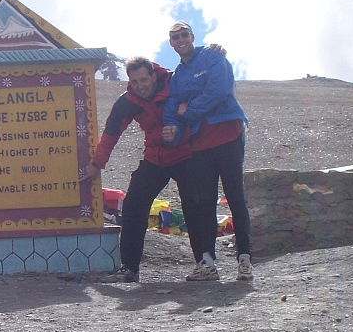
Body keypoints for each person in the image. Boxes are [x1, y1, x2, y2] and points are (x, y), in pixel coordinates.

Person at [82, 54, 226, 283]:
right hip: (155, 157)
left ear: (153, 75)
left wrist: (216, 55)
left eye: (144, 80)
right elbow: (111, 133)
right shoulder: (128, 101)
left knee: (195, 206)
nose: (140, 86)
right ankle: (130, 269)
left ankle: (205, 265)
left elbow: (208, 88)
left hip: (186, 153)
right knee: (133, 204)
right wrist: (97, 165)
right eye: (135, 82)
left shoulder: (176, 82)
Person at [162, 21, 253, 281]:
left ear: (192, 36)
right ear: (171, 43)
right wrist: (171, 131)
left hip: (227, 133)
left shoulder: (213, 57)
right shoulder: (177, 76)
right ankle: (207, 262)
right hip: (200, 142)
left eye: (184, 35)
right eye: (175, 37)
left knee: (235, 196)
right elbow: (172, 109)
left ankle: (244, 259)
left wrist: (188, 111)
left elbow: (219, 91)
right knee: (205, 202)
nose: (181, 40)